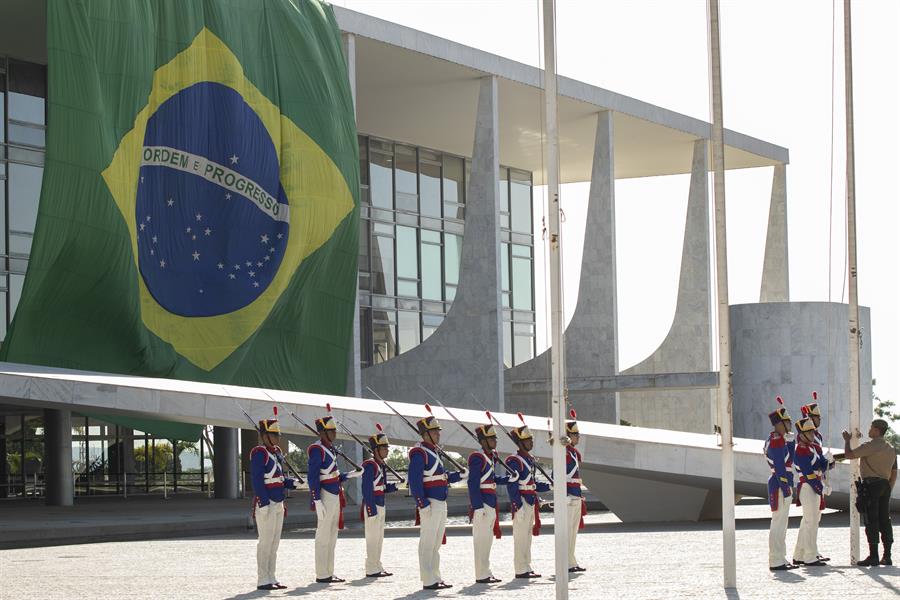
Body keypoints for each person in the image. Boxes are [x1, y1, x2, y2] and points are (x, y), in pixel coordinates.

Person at [408, 415, 465, 590]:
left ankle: (435, 576)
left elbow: (443, 477)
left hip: (440, 501)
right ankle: (428, 579)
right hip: (430, 502)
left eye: (437, 431)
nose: (438, 434)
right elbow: (415, 480)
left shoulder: (434, 452)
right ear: (425, 434)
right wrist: (422, 503)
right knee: (428, 541)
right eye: (434, 431)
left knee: (436, 542)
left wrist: (460, 475)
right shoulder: (419, 453)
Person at [308, 413, 361, 584]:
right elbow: (313, 477)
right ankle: (322, 573)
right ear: (322, 432)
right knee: (323, 535)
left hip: (335, 493)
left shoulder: (329, 449)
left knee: (332, 535)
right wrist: (316, 500)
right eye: (331, 430)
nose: (334, 433)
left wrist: (351, 474)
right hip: (325, 495)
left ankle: (329, 572)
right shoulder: (317, 449)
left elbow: (333, 475)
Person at [837, 419, 898, 566]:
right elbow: (894, 472)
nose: (869, 430)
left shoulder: (871, 445)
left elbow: (849, 455)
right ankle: (887, 556)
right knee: (885, 520)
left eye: (871, 428)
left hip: (871, 485)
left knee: (871, 520)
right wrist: (888, 487)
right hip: (885, 485)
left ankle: (874, 556)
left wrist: (847, 440)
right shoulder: (890, 448)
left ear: (876, 430)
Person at [249, 416, 296, 591]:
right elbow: (257, 480)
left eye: (278, 435)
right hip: (266, 503)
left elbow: (279, 478)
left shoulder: (275, 453)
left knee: (275, 542)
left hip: (278, 502)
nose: (277, 438)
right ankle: (263, 579)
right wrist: (264, 502)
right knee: (265, 542)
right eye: (274, 435)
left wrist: (291, 483)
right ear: (265, 435)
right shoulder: (259, 453)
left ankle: (272, 576)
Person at [505, 424, 551, 579]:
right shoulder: (514, 461)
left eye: (531, 439)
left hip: (530, 500)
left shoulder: (528, 460)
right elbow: (512, 485)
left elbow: (533, 483)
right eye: (528, 440)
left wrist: (549, 485)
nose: (531, 442)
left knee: (527, 537)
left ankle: (526, 566)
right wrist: (517, 505)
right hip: (522, 502)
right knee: (520, 537)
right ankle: (520, 569)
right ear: (520, 443)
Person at [467, 423, 509, 584]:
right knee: (481, 540)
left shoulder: (489, 456)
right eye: (492, 438)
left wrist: (507, 479)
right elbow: (473, 483)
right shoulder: (477, 457)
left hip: (490, 502)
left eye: (495, 438)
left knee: (487, 540)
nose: (495, 441)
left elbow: (491, 479)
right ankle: (481, 574)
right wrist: (477, 507)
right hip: (483, 503)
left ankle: (486, 572)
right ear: (483, 440)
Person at [791, 417, 834, 566]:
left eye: (812, 432)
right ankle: (809, 557)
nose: (812, 435)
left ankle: (801, 554)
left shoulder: (815, 448)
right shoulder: (801, 450)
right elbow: (808, 472)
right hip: (808, 486)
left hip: (815, 484)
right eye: (809, 432)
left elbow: (823, 464)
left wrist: (830, 461)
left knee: (812, 521)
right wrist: (821, 487)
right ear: (802, 434)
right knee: (810, 522)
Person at [361, 426, 398, 577]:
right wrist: (371, 510)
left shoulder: (380, 465)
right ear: (376, 449)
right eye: (384, 448)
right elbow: (367, 489)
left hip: (381, 504)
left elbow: (379, 487)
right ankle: (371, 568)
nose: (387, 450)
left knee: (379, 538)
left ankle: (377, 565)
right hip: (373, 506)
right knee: (372, 538)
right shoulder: (370, 465)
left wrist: (393, 487)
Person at [764, 403, 797, 571]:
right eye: (788, 422)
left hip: (782, 482)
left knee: (782, 524)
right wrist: (785, 488)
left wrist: (791, 444)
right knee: (778, 523)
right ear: (779, 424)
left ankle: (780, 558)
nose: (790, 426)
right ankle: (776, 560)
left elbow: (789, 459)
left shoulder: (781, 440)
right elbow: (780, 466)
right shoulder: (776, 441)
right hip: (779, 484)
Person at [560, 413, 586, 573]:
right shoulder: (563, 453)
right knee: (567, 531)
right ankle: (566, 562)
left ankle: (571, 561)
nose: (578, 437)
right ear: (568, 436)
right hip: (569, 496)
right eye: (575, 434)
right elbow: (559, 476)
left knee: (573, 532)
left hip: (575, 495)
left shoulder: (573, 453)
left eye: (578, 434)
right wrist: (565, 496)